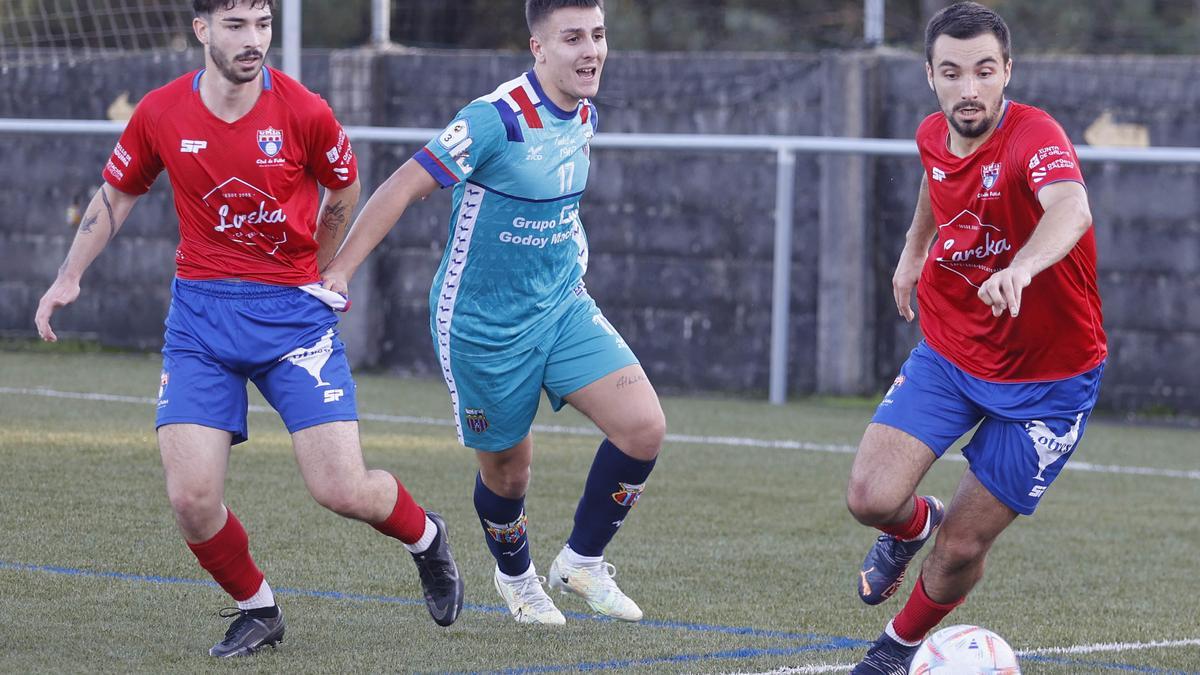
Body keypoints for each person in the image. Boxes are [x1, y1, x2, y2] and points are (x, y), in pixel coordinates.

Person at [33, 0, 464, 657]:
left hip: (292, 320)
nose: (254, 40)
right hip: (201, 321)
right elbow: (117, 193)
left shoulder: (304, 111)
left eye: (263, 24)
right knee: (192, 498)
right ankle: (258, 608)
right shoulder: (160, 113)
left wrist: (321, 269)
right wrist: (69, 276)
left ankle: (426, 536)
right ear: (202, 29)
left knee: (341, 489)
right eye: (237, 26)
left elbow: (345, 190)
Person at [321, 0, 665, 626]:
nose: (591, 51)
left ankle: (581, 563)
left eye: (598, 35)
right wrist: (340, 270)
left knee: (643, 428)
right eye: (572, 39)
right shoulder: (494, 120)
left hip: (561, 305)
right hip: (482, 327)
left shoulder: (585, 107)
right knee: (510, 474)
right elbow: (401, 185)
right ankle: (516, 579)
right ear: (538, 48)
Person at [845, 3, 1107, 673]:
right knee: (870, 498)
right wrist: (913, 248)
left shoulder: (1034, 135)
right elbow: (937, 182)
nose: (970, 89)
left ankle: (894, 651)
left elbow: (1071, 207)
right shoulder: (932, 133)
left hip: (1049, 380)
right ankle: (911, 528)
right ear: (931, 75)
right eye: (953, 73)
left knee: (962, 549)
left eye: (985, 71)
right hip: (953, 349)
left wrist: (1020, 266)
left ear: (1006, 72)